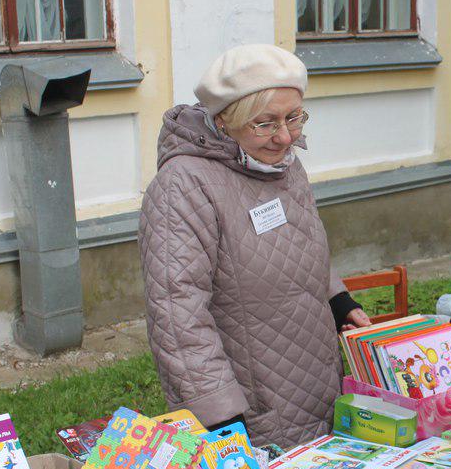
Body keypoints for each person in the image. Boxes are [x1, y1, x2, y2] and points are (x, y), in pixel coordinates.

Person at [138, 44, 370, 445]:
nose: (284, 137)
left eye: (293, 118)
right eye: (265, 123)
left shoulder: (280, 162)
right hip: (252, 400)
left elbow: (298, 243)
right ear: (225, 121)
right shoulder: (184, 186)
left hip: (312, 369)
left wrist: (338, 301)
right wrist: (220, 415)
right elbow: (177, 315)